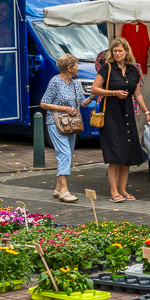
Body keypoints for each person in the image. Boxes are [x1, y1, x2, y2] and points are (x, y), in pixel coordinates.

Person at [91, 37, 150, 202]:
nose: (117, 53)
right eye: (115, 51)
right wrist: (113, 93)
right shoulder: (107, 68)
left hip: (127, 114)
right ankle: (113, 192)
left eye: (120, 51)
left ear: (126, 52)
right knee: (115, 154)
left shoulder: (133, 70)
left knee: (127, 154)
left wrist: (146, 112)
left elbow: (137, 94)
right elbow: (95, 89)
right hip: (111, 115)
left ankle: (123, 190)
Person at [40, 53, 92, 202]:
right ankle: (64, 190)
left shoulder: (75, 83)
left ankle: (57, 188)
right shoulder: (55, 81)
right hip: (56, 123)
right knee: (64, 154)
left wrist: (92, 96)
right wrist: (64, 108)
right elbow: (44, 103)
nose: (78, 68)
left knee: (67, 154)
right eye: (76, 65)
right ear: (69, 68)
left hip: (72, 124)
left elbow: (81, 103)